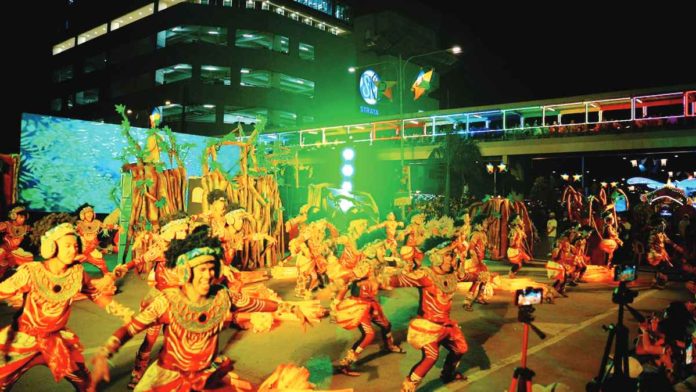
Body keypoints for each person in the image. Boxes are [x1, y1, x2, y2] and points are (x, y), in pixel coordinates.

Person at [90, 229, 313, 391]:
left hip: (203, 379)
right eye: (201, 270)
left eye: (211, 269)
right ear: (187, 272)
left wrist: (291, 307)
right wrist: (104, 354)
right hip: (166, 378)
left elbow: (256, 304)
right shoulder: (168, 300)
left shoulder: (223, 296)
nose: (207, 275)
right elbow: (131, 328)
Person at [0, 222, 133, 390]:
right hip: (23, 340)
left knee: (84, 382)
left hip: (56, 341)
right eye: (67, 246)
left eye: (75, 246)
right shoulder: (31, 271)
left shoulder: (77, 272)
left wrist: (123, 312)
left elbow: (95, 294)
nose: (73, 250)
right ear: (52, 247)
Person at [388, 242, 470, 391]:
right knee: (431, 356)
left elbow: (470, 275)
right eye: (448, 255)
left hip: (446, 324)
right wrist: (400, 270)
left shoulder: (453, 274)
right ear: (436, 257)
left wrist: (483, 275)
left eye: (453, 256)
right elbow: (396, 281)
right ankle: (408, 387)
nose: (452, 260)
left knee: (460, 348)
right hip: (428, 326)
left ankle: (447, 374)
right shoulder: (425, 275)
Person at [334, 256, 404, 376]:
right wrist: (336, 303)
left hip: (372, 305)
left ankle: (390, 346)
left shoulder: (376, 276)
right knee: (369, 334)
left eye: (369, 267)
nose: (369, 269)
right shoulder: (357, 278)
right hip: (359, 308)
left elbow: (384, 283)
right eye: (366, 267)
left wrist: (395, 279)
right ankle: (345, 363)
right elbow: (345, 287)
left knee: (386, 325)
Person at [75, 203, 114, 275]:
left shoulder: (97, 223)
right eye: (87, 213)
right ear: (83, 215)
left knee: (102, 264)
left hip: (92, 249)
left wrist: (117, 227)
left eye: (91, 213)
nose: (90, 215)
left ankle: (108, 278)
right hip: (82, 249)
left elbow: (106, 226)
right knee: (72, 264)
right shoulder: (79, 224)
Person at [0, 205, 33, 277]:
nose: (23, 219)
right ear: (14, 216)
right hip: (4, 249)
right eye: (21, 217)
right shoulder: (7, 225)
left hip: (15, 251)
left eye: (24, 217)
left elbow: (36, 229)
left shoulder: (25, 227)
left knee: (29, 259)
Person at [507, 213, 531, 278]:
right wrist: (514, 239)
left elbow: (524, 236)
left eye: (519, 219)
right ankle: (511, 273)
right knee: (518, 264)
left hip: (517, 249)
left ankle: (512, 273)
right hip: (512, 250)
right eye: (518, 219)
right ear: (514, 221)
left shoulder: (518, 229)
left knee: (520, 264)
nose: (520, 220)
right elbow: (511, 243)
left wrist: (522, 227)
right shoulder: (513, 230)